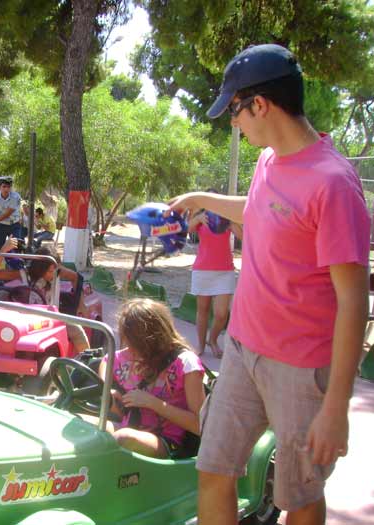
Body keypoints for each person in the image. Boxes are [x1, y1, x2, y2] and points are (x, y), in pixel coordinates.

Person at [167, 44, 369, 524]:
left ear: (259, 104)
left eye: (234, 111)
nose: (234, 123)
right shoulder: (268, 161)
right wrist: (201, 198)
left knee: (299, 496)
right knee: (213, 467)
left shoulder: (333, 184)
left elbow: (354, 301)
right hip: (243, 350)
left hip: (300, 368)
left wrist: (336, 407)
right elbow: (261, 209)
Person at [98, 298, 205, 458]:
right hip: (129, 426)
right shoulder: (133, 353)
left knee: (123, 437)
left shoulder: (186, 364)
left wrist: (152, 403)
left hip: (168, 441)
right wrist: (108, 389)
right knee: (84, 424)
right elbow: (107, 360)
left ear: (151, 339)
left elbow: (200, 425)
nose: (130, 349)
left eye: (134, 343)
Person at [0, 237, 90, 353]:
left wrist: (81, 304)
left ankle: (89, 359)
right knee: (0, 295)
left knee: (77, 330)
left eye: (55, 270)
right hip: (27, 319)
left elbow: (76, 278)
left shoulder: (58, 271)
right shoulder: (25, 274)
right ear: (40, 269)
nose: (53, 274)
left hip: (52, 318)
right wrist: (3, 250)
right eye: (50, 271)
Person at [187, 194, 243, 358]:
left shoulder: (225, 219)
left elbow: (243, 236)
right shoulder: (200, 218)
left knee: (221, 314)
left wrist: (231, 221)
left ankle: (212, 340)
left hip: (225, 271)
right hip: (202, 270)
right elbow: (185, 230)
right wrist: (197, 219)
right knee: (202, 310)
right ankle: (200, 345)